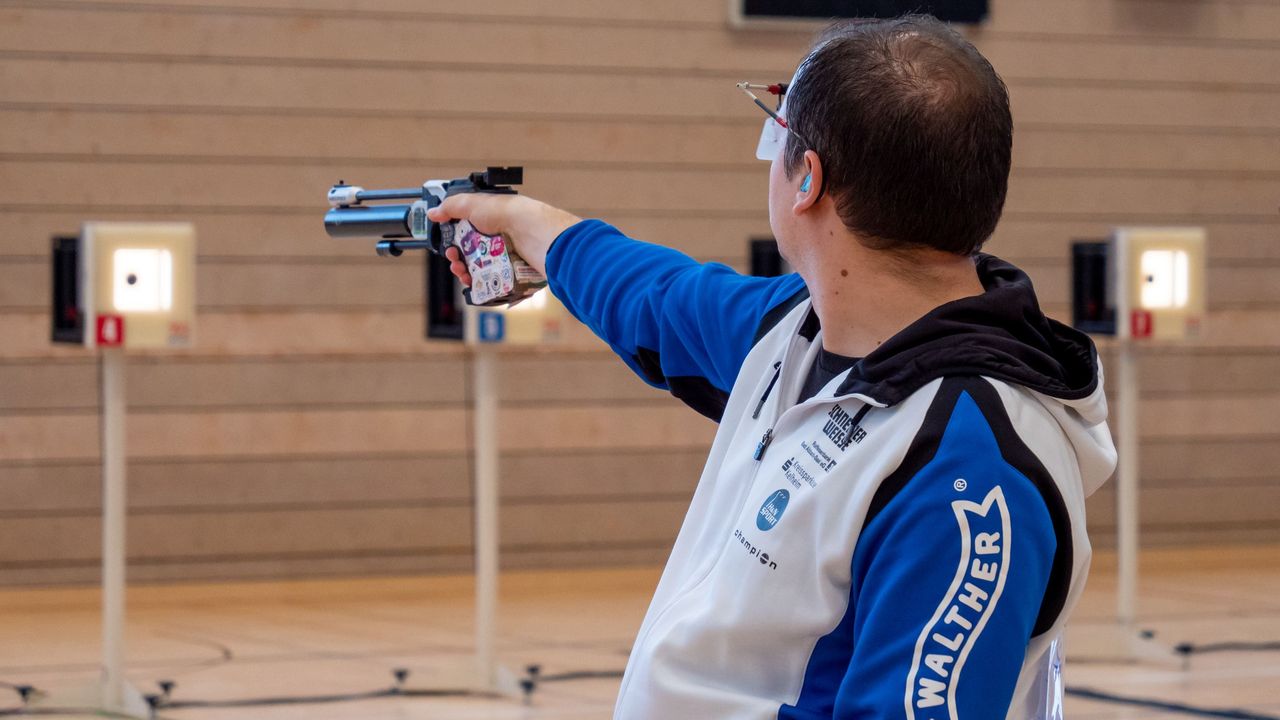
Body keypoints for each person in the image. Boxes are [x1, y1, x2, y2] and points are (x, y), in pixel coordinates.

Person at [432, 15, 1116, 720]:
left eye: (777, 131)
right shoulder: (803, 325)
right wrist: (521, 221)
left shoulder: (969, 469)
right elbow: (651, 296)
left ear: (807, 179)